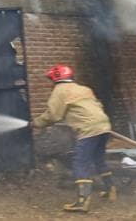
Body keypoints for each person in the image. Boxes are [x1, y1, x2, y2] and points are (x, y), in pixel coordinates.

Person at [31, 64, 115, 212]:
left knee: (80, 162)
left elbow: (53, 115)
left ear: (55, 78)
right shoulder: (83, 88)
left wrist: (36, 123)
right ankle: (111, 190)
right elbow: (96, 105)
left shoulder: (60, 91)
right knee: (98, 158)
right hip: (104, 125)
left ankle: (82, 202)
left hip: (88, 129)